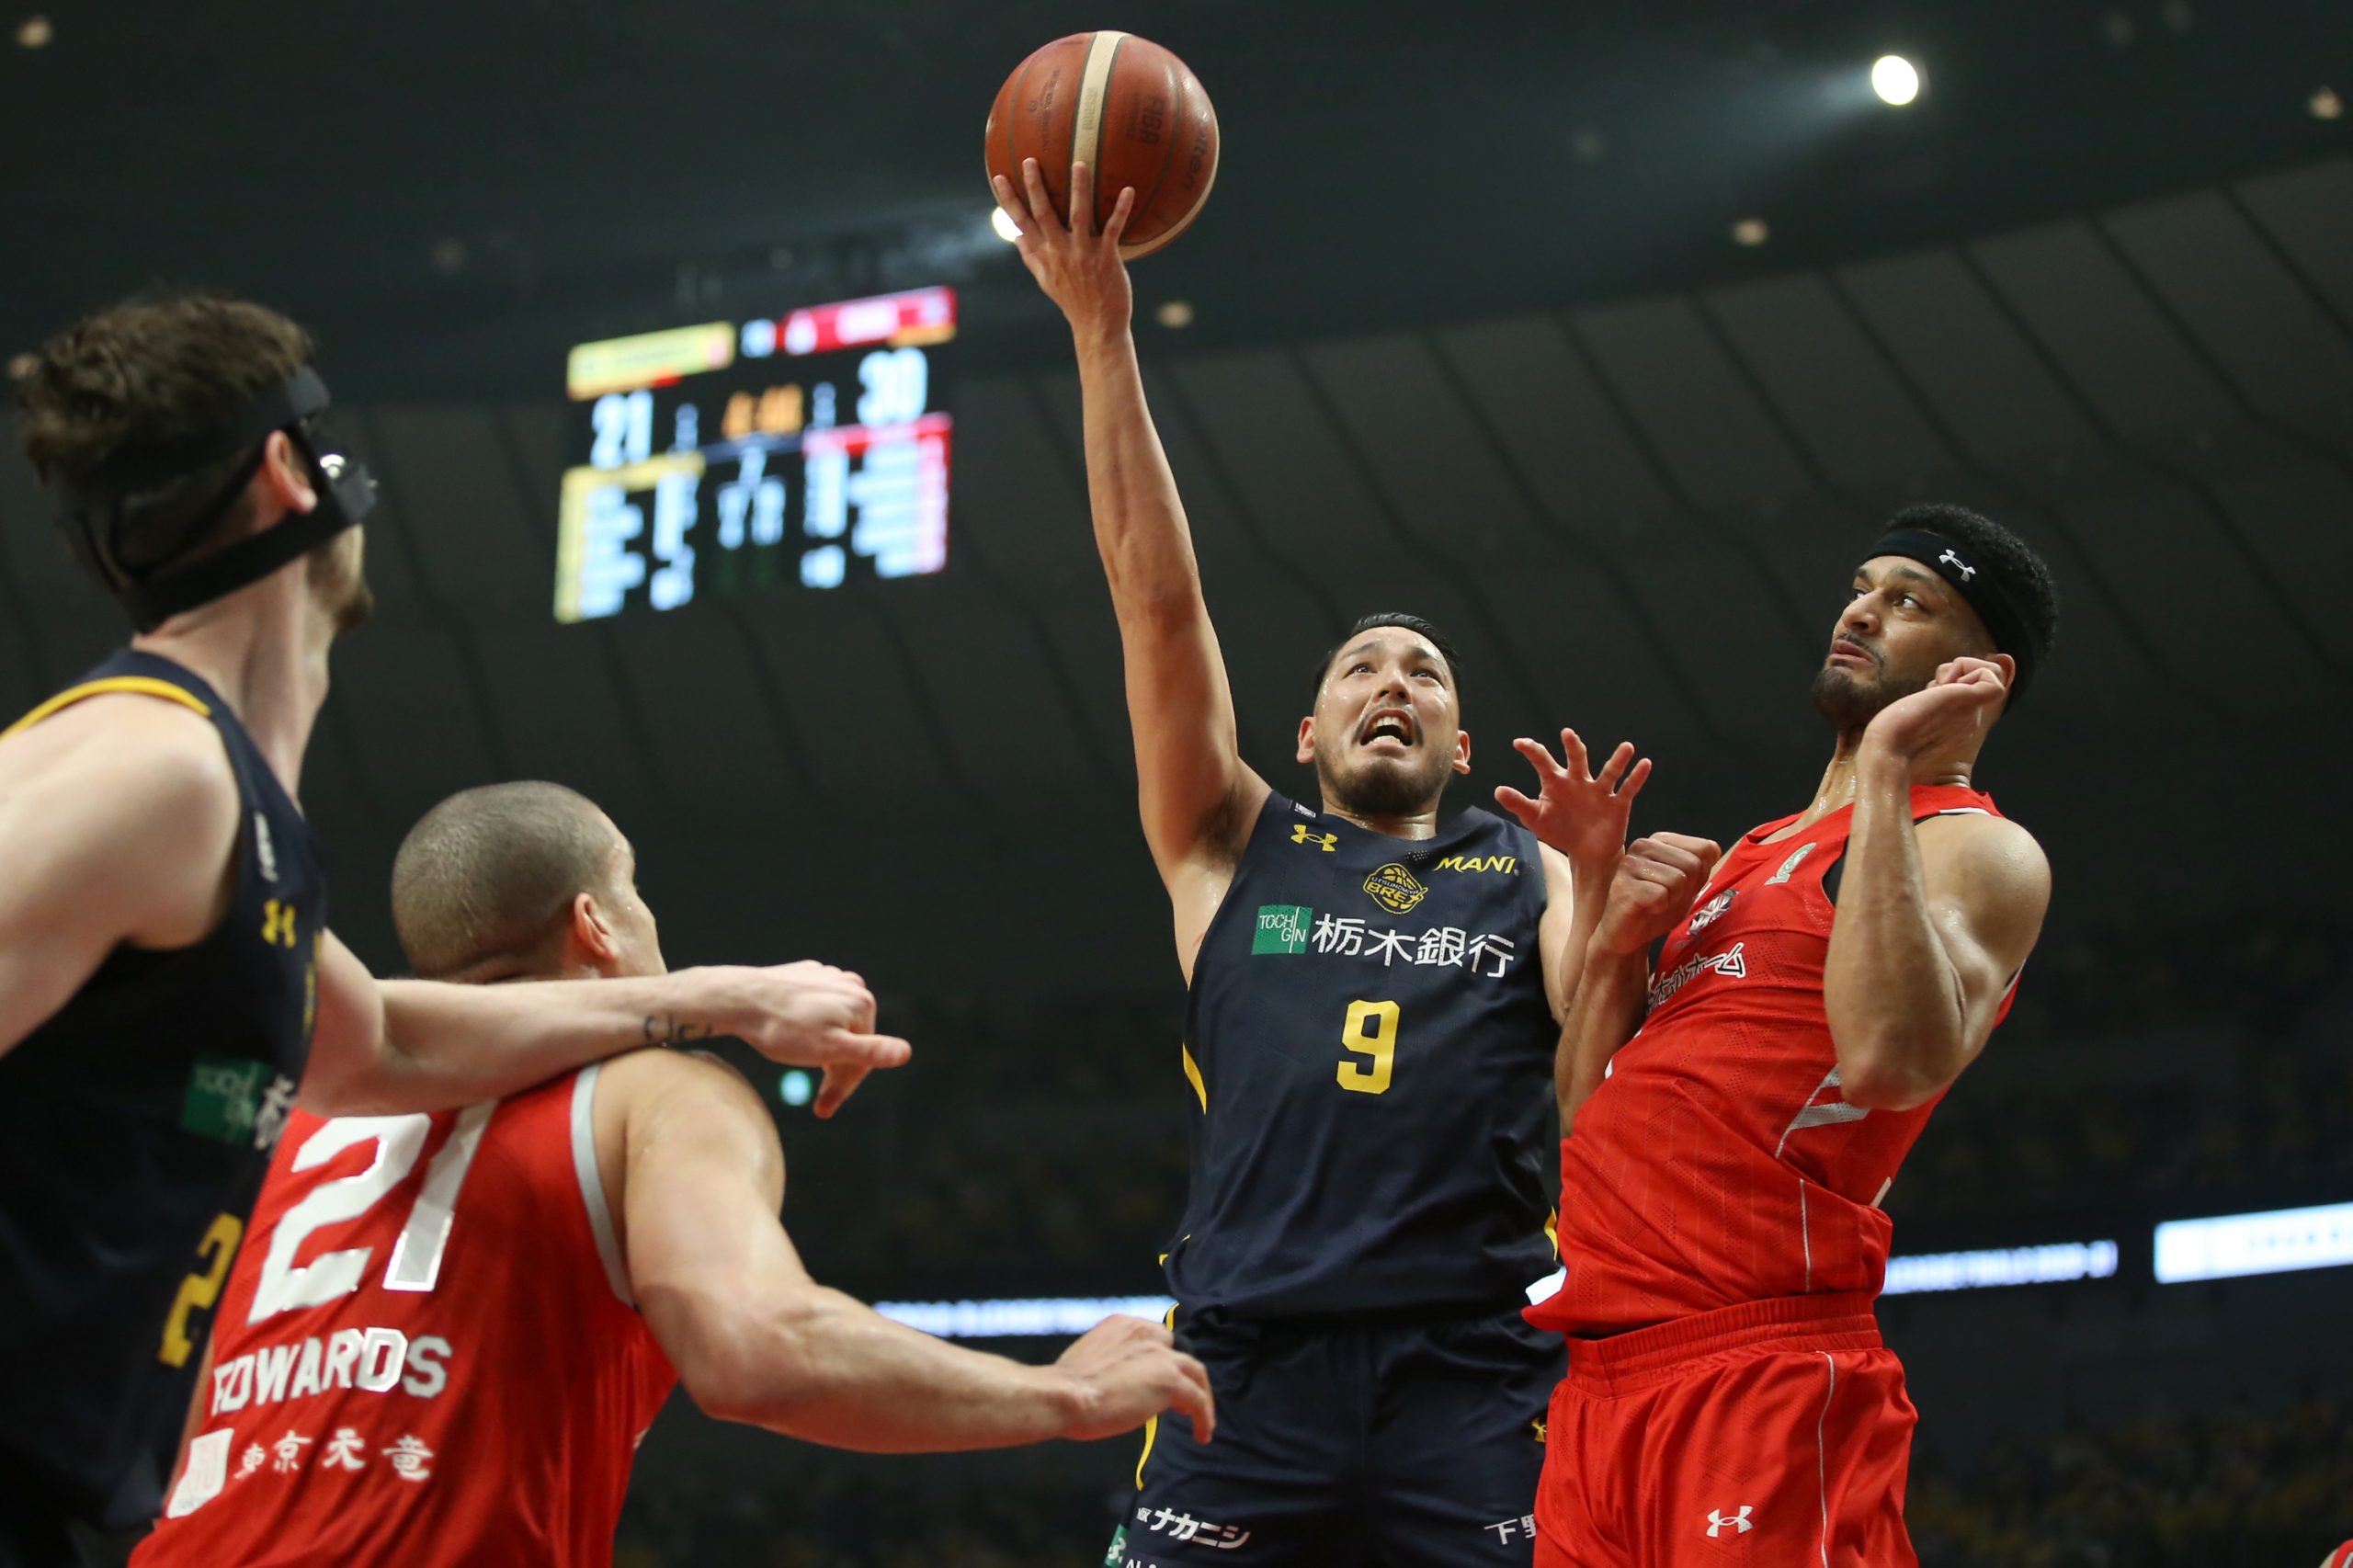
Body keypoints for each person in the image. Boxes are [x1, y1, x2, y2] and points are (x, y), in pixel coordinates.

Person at [0, 293, 909, 1566]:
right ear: (287, 474)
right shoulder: (152, 774)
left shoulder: (205, 803)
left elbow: (377, 1047)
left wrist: (726, 997)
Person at [993, 159, 1643, 1567]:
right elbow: (1153, 601)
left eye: (1425, 670)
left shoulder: (1524, 869)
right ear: (1305, 728)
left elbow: (1595, 1085)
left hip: (1473, 1369)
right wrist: (1103, 336)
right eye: (1361, 666)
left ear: (1460, 741)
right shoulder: (1232, 840)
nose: (1392, 678)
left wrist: (1604, 893)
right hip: (1250, 1371)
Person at [131, 781, 1214, 1565]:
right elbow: (759, 1352)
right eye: (635, 889)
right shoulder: (655, 1091)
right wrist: (1061, 1390)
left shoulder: (286, 1127)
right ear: (596, 924)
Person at [1518, 505, 2059, 1566]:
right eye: (1863, 586)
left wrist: (1893, 771)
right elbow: (1589, 1111)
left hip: (1760, 1366)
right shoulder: (1748, 852)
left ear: (1979, 670)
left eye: (1908, 601)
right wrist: (1620, 939)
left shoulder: (1977, 847)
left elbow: (1892, 1061)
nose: (1860, 609)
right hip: (1600, 1387)